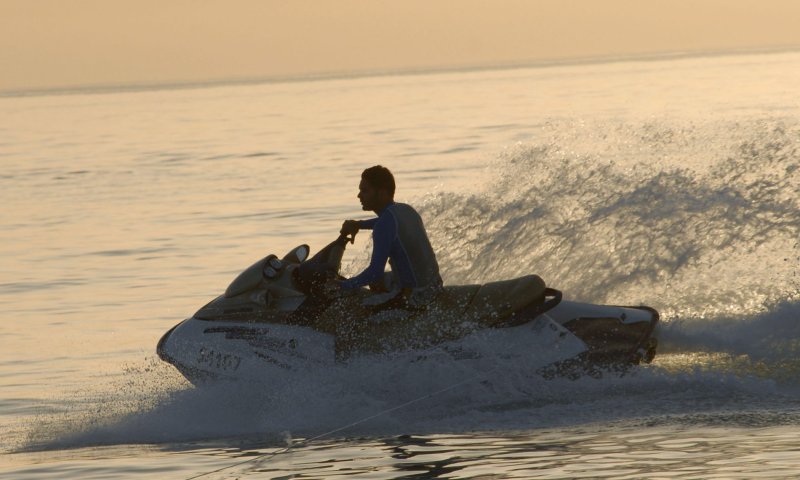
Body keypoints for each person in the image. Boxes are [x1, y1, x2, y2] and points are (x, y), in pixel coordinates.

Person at [337, 165, 442, 308]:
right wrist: (359, 225)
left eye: (364, 191)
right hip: (435, 285)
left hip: (418, 296)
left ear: (382, 193)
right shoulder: (405, 210)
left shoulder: (384, 225)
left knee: (356, 308)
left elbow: (374, 272)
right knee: (376, 283)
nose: (359, 195)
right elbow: (386, 224)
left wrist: (342, 286)